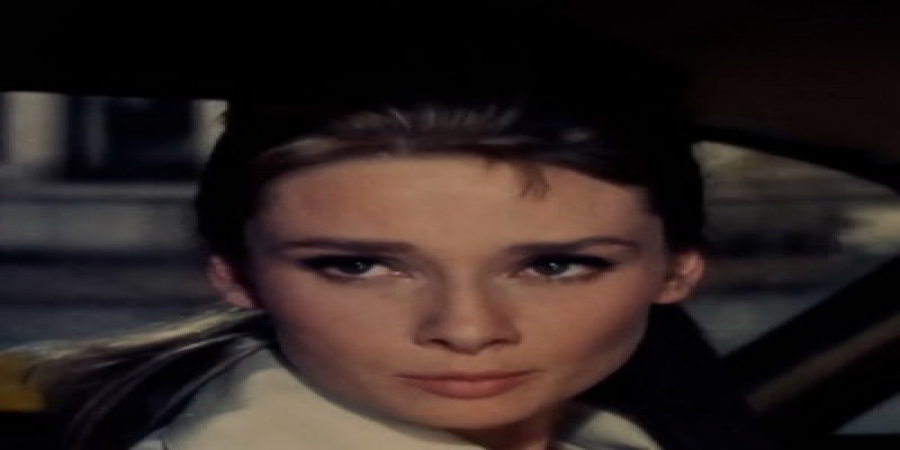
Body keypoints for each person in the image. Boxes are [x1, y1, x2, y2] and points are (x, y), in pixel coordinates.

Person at [26, 4, 779, 450]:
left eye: (553, 265)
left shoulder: (629, 421)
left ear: (676, 268)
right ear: (237, 276)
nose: (467, 330)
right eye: (357, 266)